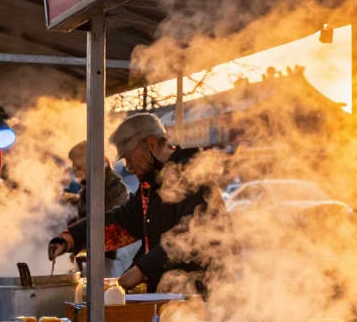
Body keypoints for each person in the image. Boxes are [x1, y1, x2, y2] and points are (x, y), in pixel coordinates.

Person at [48, 113, 226, 293]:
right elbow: (123, 222)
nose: (128, 167)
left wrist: (142, 270)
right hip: (168, 300)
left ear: (151, 144)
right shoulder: (153, 186)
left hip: (205, 298)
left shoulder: (197, 177)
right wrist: (72, 238)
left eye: (128, 157)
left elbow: (193, 235)